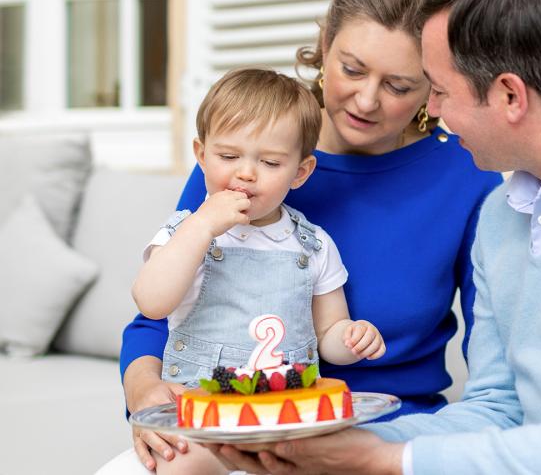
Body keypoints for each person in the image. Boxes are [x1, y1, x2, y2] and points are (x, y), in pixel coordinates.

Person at [206, 0, 541, 475]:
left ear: (510, 95)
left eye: (436, 90)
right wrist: (311, 449)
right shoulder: (504, 214)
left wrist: (388, 459)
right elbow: (497, 410)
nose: (431, 113)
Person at [110, 0, 502, 473]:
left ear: (435, 81)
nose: (365, 100)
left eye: (398, 85)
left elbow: (497, 373)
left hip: (385, 435)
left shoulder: (469, 176)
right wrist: (145, 394)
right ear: (324, 46)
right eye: (352, 69)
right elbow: (160, 312)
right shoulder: (247, 154)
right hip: (234, 426)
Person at [130, 67, 384, 474]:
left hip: (287, 421)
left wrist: (352, 339)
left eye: (269, 162)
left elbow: (328, 334)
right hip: (203, 419)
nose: (246, 173)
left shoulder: (313, 244)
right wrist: (202, 226)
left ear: (299, 173)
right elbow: (152, 303)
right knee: (180, 464)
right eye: (229, 156)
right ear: (201, 155)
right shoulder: (185, 232)